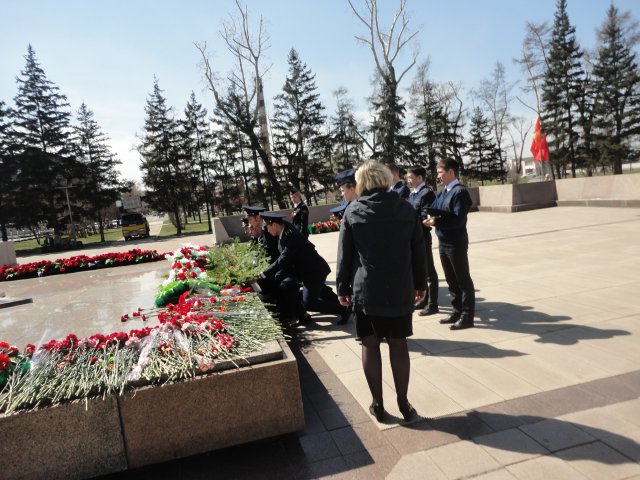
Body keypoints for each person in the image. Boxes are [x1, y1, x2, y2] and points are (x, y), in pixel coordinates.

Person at [336, 161, 427, 423]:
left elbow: (345, 256)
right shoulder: (405, 207)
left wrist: (342, 287)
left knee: (370, 344)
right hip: (399, 288)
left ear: (362, 182)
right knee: (399, 345)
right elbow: (418, 250)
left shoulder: (353, 210)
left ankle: (378, 403)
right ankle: (404, 403)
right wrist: (420, 283)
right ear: (386, 179)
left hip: (368, 291)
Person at [259, 211, 349, 324]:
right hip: (305, 272)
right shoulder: (284, 231)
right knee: (297, 289)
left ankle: (343, 309)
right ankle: (304, 316)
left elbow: (283, 260)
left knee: (309, 303)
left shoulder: (290, 236)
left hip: (314, 272)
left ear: (275, 225)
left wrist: (263, 274)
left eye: (267, 226)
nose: (267, 230)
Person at [424, 159, 475, 330]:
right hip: (444, 241)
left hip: (456, 243)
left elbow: (458, 220)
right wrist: (431, 218)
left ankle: (467, 316)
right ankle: (456, 310)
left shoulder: (459, 192)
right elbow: (435, 209)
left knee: (463, 279)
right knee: (451, 279)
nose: (438, 176)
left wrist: (436, 222)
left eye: (440, 172)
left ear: (451, 172)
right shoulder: (442, 192)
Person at [406, 165, 439, 316]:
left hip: (422, 237)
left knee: (429, 271)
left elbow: (425, 216)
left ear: (420, 178)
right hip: (412, 237)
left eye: (411, 177)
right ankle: (424, 300)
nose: (408, 180)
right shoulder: (412, 194)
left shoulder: (427, 194)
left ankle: (433, 304)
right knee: (419, 269)